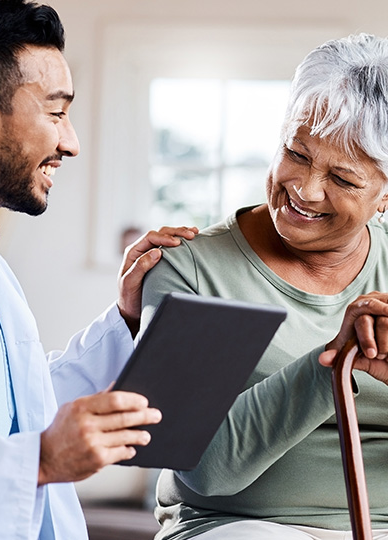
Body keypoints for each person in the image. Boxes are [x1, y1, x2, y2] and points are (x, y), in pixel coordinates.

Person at [0, 1, 198, 539]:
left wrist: (125, 317)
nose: (70, 143)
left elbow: (19, 410)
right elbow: (28, 447)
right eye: (56, 113)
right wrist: (40, 461)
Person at [141, 33, 388, 540]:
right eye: (296, 153)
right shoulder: (193, 271)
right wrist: (334, 363)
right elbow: (203, 469)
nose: (305, 188)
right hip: (236, 525)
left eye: (342, 179)